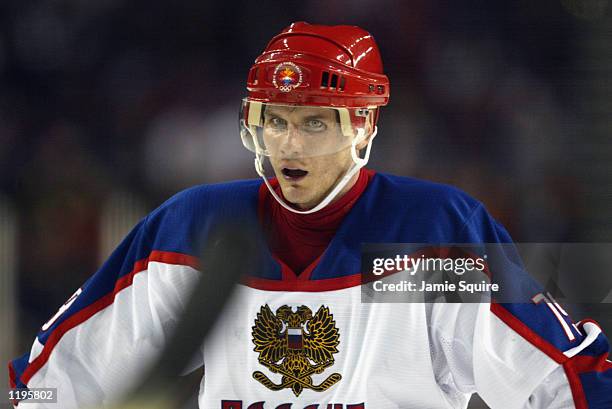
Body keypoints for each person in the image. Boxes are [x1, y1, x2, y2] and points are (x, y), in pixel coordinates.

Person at [8, 22, 612, 409]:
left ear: (364, 127)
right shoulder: (191, 228)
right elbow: (54, 382)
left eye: (315, 122)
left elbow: (563, 379)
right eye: (275, 120)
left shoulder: (436, 234)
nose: (289, 146)